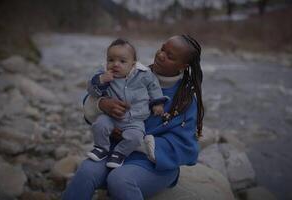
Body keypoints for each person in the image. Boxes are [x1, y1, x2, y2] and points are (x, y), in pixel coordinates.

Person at [62, 34, 205, 200]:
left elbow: (187, 147)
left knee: (120, 180)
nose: (160, 54)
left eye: (169, 56)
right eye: (162, 48)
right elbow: (92, 96)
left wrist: (137, 140)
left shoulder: (185, 100)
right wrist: (102, 104)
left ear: (183, 65)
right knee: (86, 172)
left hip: (153, 163)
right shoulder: (131, 72)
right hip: (113, 151)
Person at [86, 38, 167, 168]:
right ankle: (101, 148)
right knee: (100, 124)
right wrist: (101, 80)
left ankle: (119, 153)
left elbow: (154, 86)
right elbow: (91, 91)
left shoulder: (143, 74)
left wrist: (157, 103)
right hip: (111, 117)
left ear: (133, 64)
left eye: (122, 61)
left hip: (134, 119)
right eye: (111, 60)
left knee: (136, 137)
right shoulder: (103, 73)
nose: (115, 64)